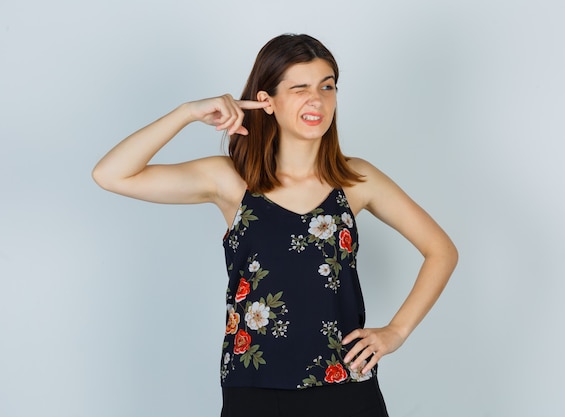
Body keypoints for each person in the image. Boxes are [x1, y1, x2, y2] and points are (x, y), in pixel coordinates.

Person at [93, 33, 458, 417]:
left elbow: (441, 250)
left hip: (346, 383)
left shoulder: (355, 180)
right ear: (266, 100)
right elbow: (112, 174)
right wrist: (187, 112)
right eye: (299, 88)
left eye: (327, 86)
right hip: (254, 387)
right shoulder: (231, 181)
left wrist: (396, 331)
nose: (316, 99)